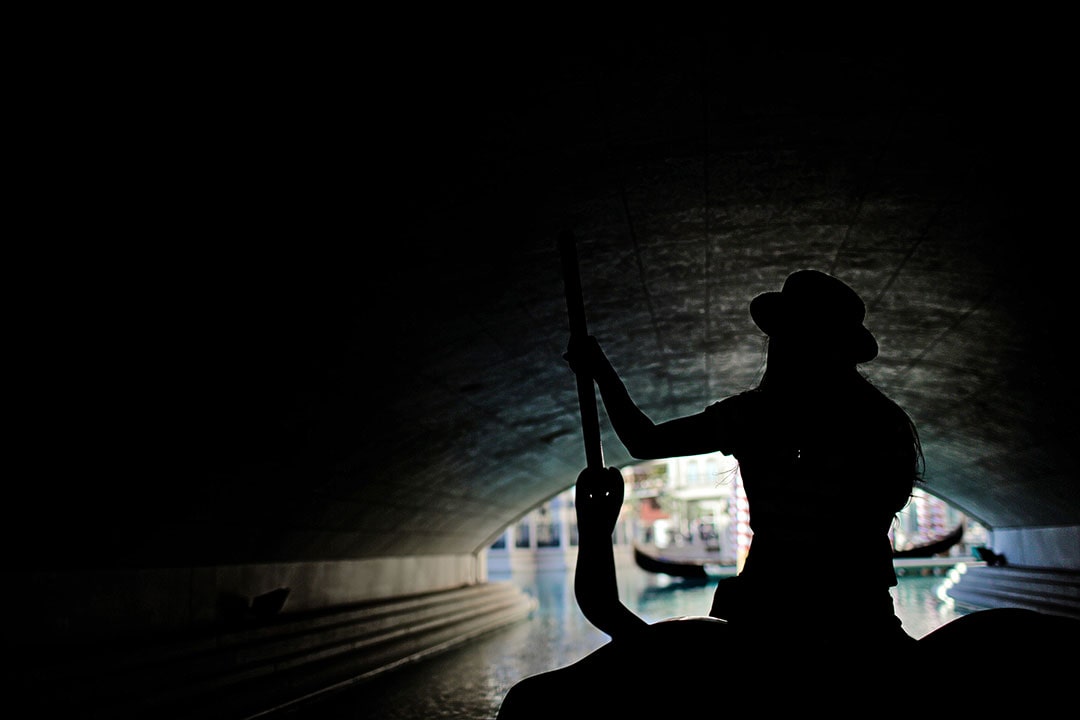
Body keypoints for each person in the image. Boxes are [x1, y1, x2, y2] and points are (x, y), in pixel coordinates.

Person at [563, 269, 924, 670]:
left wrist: (599, 370)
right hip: (864, 615)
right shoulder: (885, 422)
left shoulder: (755, 415)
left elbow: (643, 440)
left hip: (766, 610)